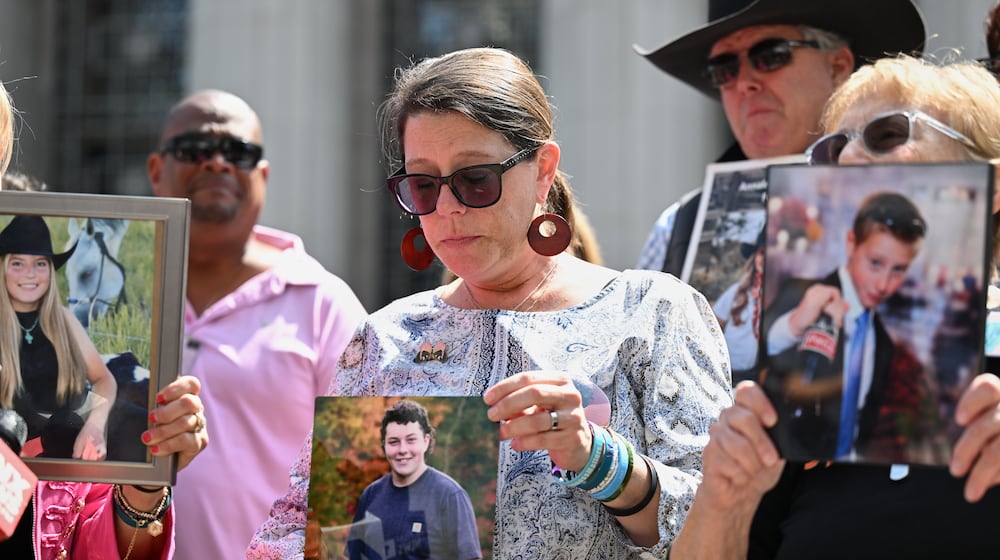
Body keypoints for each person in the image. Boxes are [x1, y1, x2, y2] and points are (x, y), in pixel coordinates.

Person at [247, 47, 732, 559]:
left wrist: (601, 461)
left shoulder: (651, 312)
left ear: (543, 170)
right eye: (423, 186)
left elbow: (724, 523)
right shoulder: (383, 339)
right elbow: (292, 530)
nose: (448, 208)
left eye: (475, 179)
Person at [670, 56, 1000, 559]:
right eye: (832, 147)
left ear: (990, 185)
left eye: (887, 134)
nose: (848, 159)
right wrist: (723, 502)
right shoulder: (795, 358)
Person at [146, 89, 367, 559]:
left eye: (238, 152)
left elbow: (363, 474)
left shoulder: (323, 304)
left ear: (262, 176)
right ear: (156, 170)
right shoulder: (107, 294)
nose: (217, 163)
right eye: (194, 149)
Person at [0, 77, 210, 560]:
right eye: (19, 263)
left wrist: (145, 481)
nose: (29, 275)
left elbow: (94, 543)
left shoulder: (59, 325)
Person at [632, 0, 925, 277]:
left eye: (770, 56)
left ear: (837, 67)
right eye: (724, 70)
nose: (744, 83)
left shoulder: (909, 199)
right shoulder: (677, 228)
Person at [762, 191, 927, 460]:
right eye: (875, 263)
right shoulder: (803, 297)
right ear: (851, 244)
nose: (883, 284)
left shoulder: (883, 342)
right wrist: (792, 326)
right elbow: (768, 365)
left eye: (898, 270)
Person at [0, 214, 118, 460]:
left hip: (67, 446)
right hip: (15, 456)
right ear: (3, 268)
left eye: (40, 263)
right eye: (18, 263)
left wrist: (95, 425)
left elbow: (104, 379)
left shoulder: (63, 319)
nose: (30, 274)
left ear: (50, 271)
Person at [347, 400, 480, 560]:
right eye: (394, 442)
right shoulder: (371, 495)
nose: (402, 450)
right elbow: (353, 556)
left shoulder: (449, 495)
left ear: (426, 441)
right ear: (384, 445)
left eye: (411, 440)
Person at [711, 231, 764, 383]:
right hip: (726, 371)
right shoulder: (738, 291)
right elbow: (713, 325)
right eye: (761, 253)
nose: (764, 259)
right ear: (754, 257)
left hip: (753, 376)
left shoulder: (776, 297)